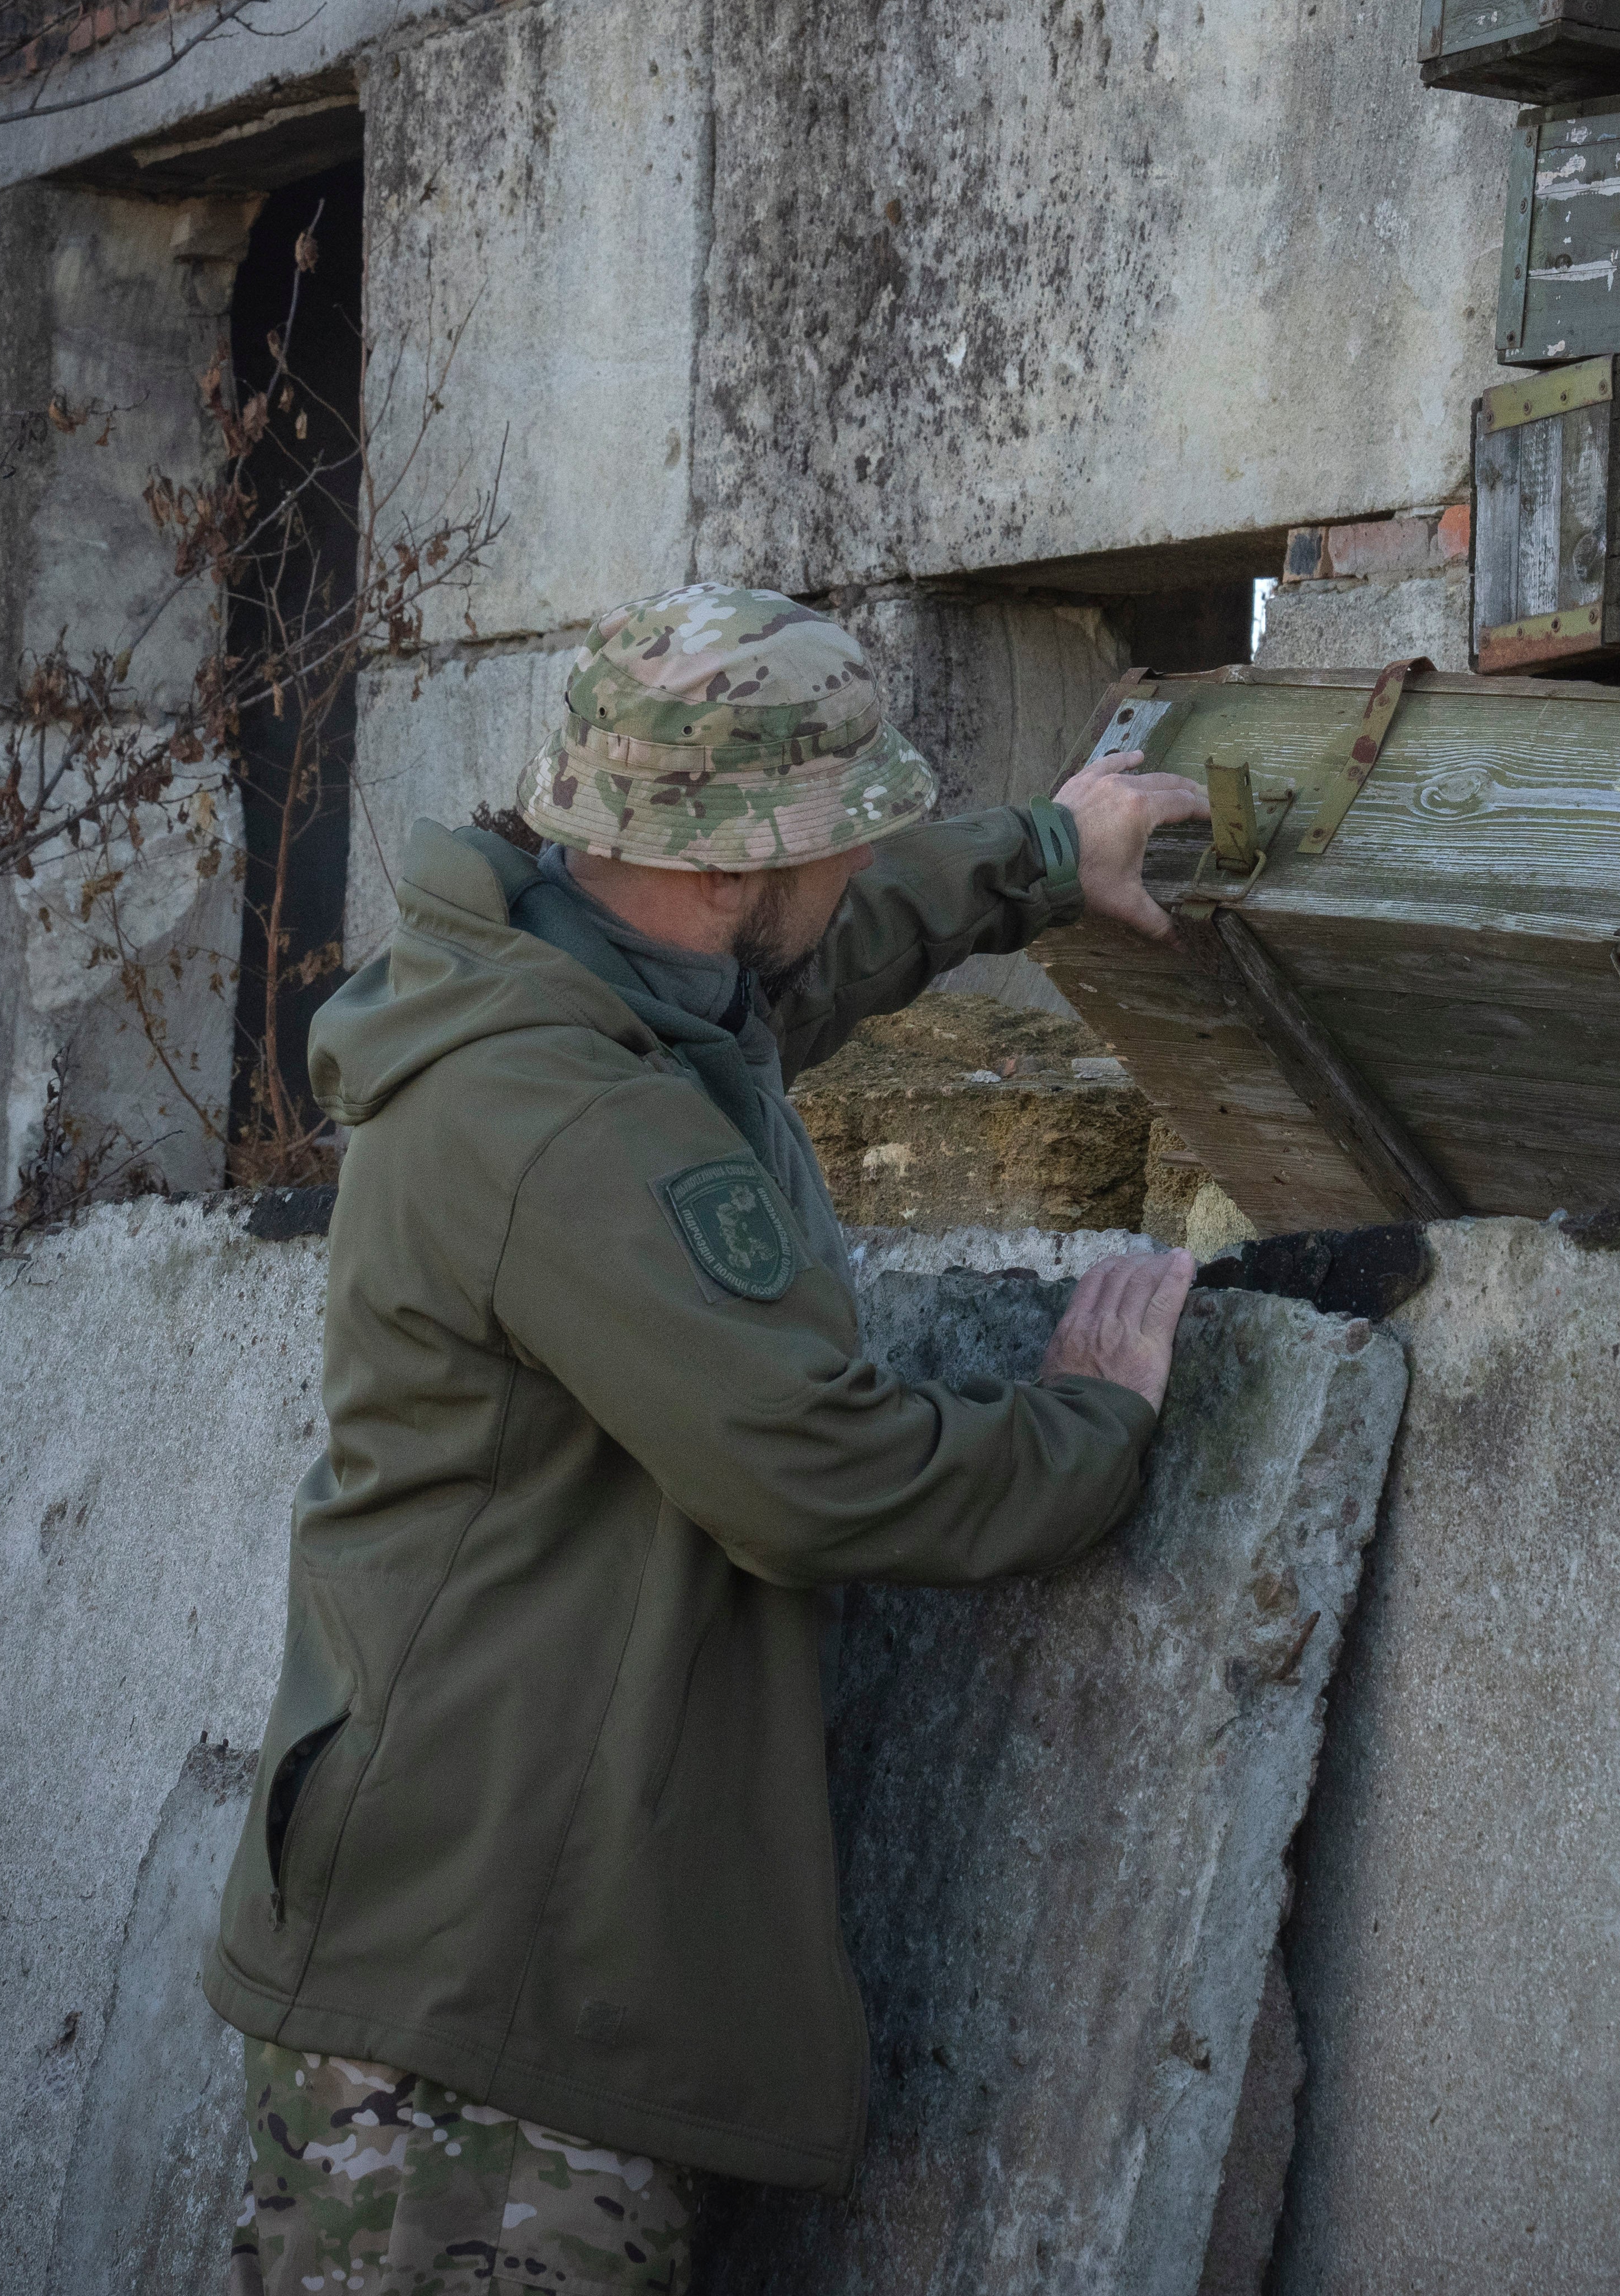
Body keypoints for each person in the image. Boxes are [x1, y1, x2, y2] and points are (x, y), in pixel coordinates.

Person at [202, 583, 1212, 2294]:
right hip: (482, 2015)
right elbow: (811, 1477)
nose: (850, 866)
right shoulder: (565, 1113)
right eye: (838, 834)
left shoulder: (589, 984)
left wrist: (1048, 850)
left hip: (499, 1921)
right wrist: (1089, 1431)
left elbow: (801, 973)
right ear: (737, 863)